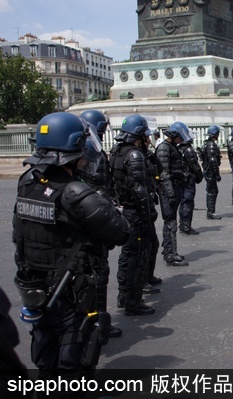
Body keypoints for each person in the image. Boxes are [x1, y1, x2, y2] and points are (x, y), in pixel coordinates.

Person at [13, 112, 129, 381]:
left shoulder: (27, 182)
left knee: (45, 346)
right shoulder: (74, 192)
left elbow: (19, 234)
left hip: (36, 285)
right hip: (70, 289)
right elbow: (121, 231)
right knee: (76, 350)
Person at [79, 109, 122, 338]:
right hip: (92, 220)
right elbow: (97, 187)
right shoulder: (90, 151)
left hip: (86, 219)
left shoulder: (82, 150)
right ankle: (98, 323)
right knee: (97, 274)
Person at [110, 114, 157, 315]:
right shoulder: (135, 155)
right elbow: (140, 190)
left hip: (125, 209)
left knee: (127, 254)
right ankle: (133, 301)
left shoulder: (116, 152)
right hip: (136, 212)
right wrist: (148, 216)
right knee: (137, 256)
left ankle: (123, 295)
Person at [156, 122, 189, 266]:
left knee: (171, 221)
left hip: (174, 188)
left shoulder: (171, 147)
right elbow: (163, 173)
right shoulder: (164, 148)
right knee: (170, 222)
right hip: (168, 190)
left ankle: (169, 249)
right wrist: (170, 194)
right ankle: (170, 254)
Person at [143, 129, 163, 292]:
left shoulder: (145, 155)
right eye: (147, 137)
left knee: (152, 244)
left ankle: (147, 277)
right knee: (139, 249)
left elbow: (158, 170)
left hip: (146, 207)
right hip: (139, 210)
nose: (149, 140)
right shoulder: (134, 156)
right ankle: (134, 290)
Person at [178, 124, 203, 234]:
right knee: (188, 202)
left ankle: (182, 224)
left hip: (181, 179)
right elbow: (195, 166)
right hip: (188, 179)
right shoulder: (188, 150)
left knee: (183, 202)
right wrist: (199, 176)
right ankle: (186, 226)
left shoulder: (178, 149)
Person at [199, 125, 223, 219]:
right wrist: (217, 174)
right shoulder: (211, 144)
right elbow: (213, 161)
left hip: (207, 170)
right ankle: (210, 212)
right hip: (210, 171)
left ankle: (211, 211)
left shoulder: (207, 143)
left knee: (212, 190)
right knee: (212, 191)